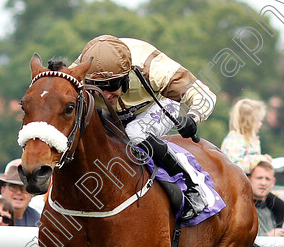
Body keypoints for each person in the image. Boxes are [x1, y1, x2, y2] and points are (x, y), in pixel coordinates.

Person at [76, 35, 217, 221]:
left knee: (135, 133)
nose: (107, 94)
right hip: (110, 115)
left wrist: (193, 117)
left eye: (112, 85)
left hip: (159, 106)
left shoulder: (153, 67)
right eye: (98, 87)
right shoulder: (79, 69)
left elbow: (204, 95)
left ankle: (192, 184)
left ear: (127, 75)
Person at [220, 99, 272, 173]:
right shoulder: (234, 141)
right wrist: (258, 159)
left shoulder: (250, 141)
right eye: (258, 121)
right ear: (248, 123)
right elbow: (234, 167)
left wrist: (263, 161)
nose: (260, 124)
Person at [0, 159, 40, 227]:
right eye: (13, 187)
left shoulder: (36, 219)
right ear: (2, 190)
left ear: (32, 194)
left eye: (24, 189)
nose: (19, 192)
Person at [249, 161, 284, 236]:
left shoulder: (276, 208)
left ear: (273, 182)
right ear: (249, 179)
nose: (263, 183)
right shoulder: (242, 207)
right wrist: (268, 236)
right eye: (259, 178)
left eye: (267, 179)